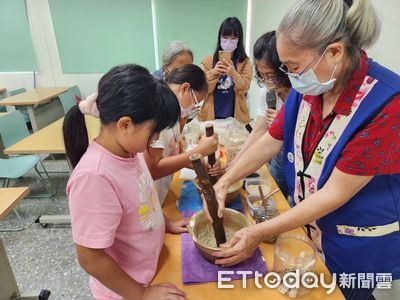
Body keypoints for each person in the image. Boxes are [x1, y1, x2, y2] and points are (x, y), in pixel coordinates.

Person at [207, 1, 400, 298]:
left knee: (345, 292)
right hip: (311, 227)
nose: (290, 76)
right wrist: (224, 182)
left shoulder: (387, 103)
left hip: (356, 241)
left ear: (334, 52)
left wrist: (258, 232)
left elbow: (335, 192)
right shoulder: (309, 90)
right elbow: (270, 140)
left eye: (294, 67)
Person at [64, 64, 187, 300]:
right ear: (125, 124)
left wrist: (164, 221)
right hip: (126, 290)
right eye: (154, 132)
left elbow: (142, 197)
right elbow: (90, 258)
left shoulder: (130, 151)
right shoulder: (94, 177)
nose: (156, 139)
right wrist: (140, 294)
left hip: (151, 269)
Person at [145, 64, 220, 205]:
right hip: (147, 202)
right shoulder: (157, 113)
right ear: (185, 88)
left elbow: (176, 155)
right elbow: (153, 169)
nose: (194, 108)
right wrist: (200, 150)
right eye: (196, 102)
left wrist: (201, 164)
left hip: (160, 198)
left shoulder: (175, 115)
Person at [233, 31, 292, 199]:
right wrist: (236, 162)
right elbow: (258, 131)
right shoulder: (268, 94)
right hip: (279, 160)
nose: (267, 81)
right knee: (274, 199)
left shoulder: (302, 94)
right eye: (262, 75)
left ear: (285, 68)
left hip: (298, 163)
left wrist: (284, 125)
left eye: (271, 75)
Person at [198, 17, 252, 123]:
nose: (228, 42)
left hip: (236, 116)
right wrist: (214, 73)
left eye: (233, 38)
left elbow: (244, 88)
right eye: (225, 37)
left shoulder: (245, 62)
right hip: (211, 114)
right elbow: (205, 90)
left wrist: (234, 74)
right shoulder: (208, 61)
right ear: (220, 38)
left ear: (239, 40)